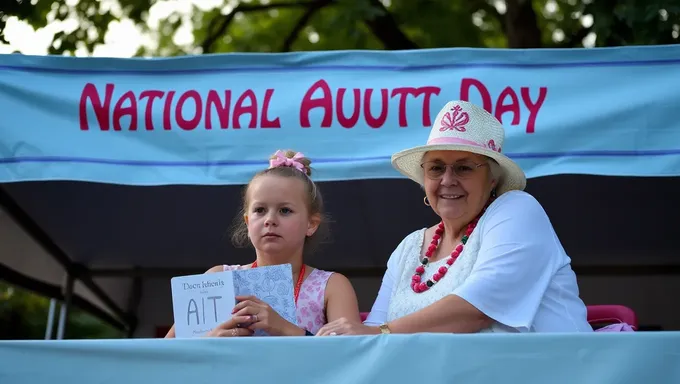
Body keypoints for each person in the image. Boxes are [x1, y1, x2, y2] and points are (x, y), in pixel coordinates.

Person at [316, 100, 592, 336]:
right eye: (436, 168)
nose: (448, 181)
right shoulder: (408, 248)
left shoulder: (517, 210)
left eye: (463, 168)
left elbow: (477, 309)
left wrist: (380, 333)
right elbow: (374, 327)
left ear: (493, 179)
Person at [165, 150, 360, 338]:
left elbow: (349, 359)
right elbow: (166, 357)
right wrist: (208, 341)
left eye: (285, 210)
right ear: (248, 222)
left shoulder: (331, 286)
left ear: (311, 224)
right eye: (260, 210)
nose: (270, 220)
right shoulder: (217, 278)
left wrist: (285, 329)